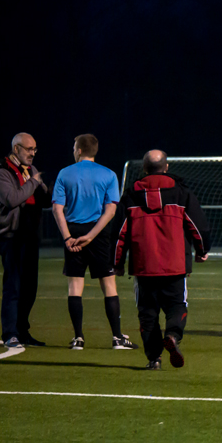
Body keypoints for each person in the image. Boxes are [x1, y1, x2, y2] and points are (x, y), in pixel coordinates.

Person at [113, 150, 211, 369]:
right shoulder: (181, 193)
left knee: (148, 314)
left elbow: (119, 233)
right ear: (166, 167)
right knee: (176, 305)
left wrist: (117, 263)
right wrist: (202, 249)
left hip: (144, 266)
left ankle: (153, 358)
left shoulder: (130, 196)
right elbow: (199, 226)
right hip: (174, 265)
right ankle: (173, 336)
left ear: (144, 169)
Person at [52, 134, 137, 350]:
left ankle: (78, 338)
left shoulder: (64, 173)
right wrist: (92, 235)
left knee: (75, 286)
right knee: (108, 285)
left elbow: (57, 209)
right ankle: (117, 338)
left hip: (73, 233)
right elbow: (111, 209)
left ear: (79, 150)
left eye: (74, 147)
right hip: (98, 234)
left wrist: (67, 238)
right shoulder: (108, 174)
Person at [0, 133, 51, 348]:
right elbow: (12, 198)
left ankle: (23, 331)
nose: (33, 153)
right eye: (28, 149)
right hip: (11, 236)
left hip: (30, 236)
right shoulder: (0, 171)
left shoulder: (31, 171)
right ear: (16, 149)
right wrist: (34, 183)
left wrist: (45, 189)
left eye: (35, 149)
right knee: (13, 286)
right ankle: (10, 333)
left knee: (29, 287)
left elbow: (42, 199)